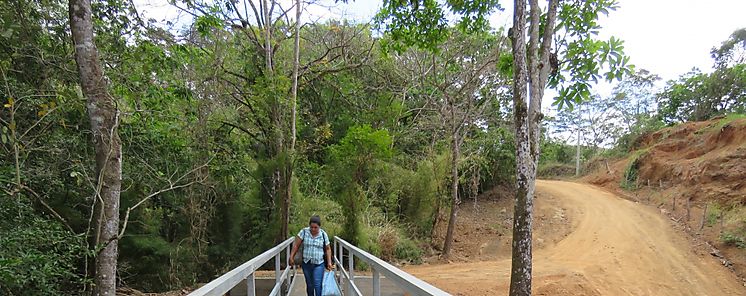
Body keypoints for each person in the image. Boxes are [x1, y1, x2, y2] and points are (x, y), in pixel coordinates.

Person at [289, 215, 333, 296]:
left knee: (317, 285)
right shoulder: (304, 232)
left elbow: (328, 249)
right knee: (310, 285)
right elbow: (296, 245)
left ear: (319, 226)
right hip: (306, 263)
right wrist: (291, 256)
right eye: (311, 227)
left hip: (319, 264)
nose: (313, 229)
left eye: (315, 227)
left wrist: (329, 262)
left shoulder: (323, 234)